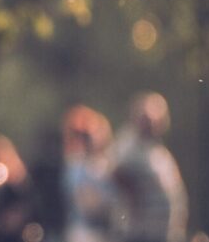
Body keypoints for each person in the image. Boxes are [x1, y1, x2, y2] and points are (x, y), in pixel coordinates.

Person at [110, 92, 188, 242]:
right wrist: (137, 206)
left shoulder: (157, 148)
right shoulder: (129, 144)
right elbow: (117, 173)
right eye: (147, 118)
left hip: (162, 231)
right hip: (140, 233)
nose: (152, 122)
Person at [62, 105, 117, 242]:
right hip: (86, 233)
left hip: (108, 232)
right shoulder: (76, 165)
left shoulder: (108, 163)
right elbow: (88, 205)